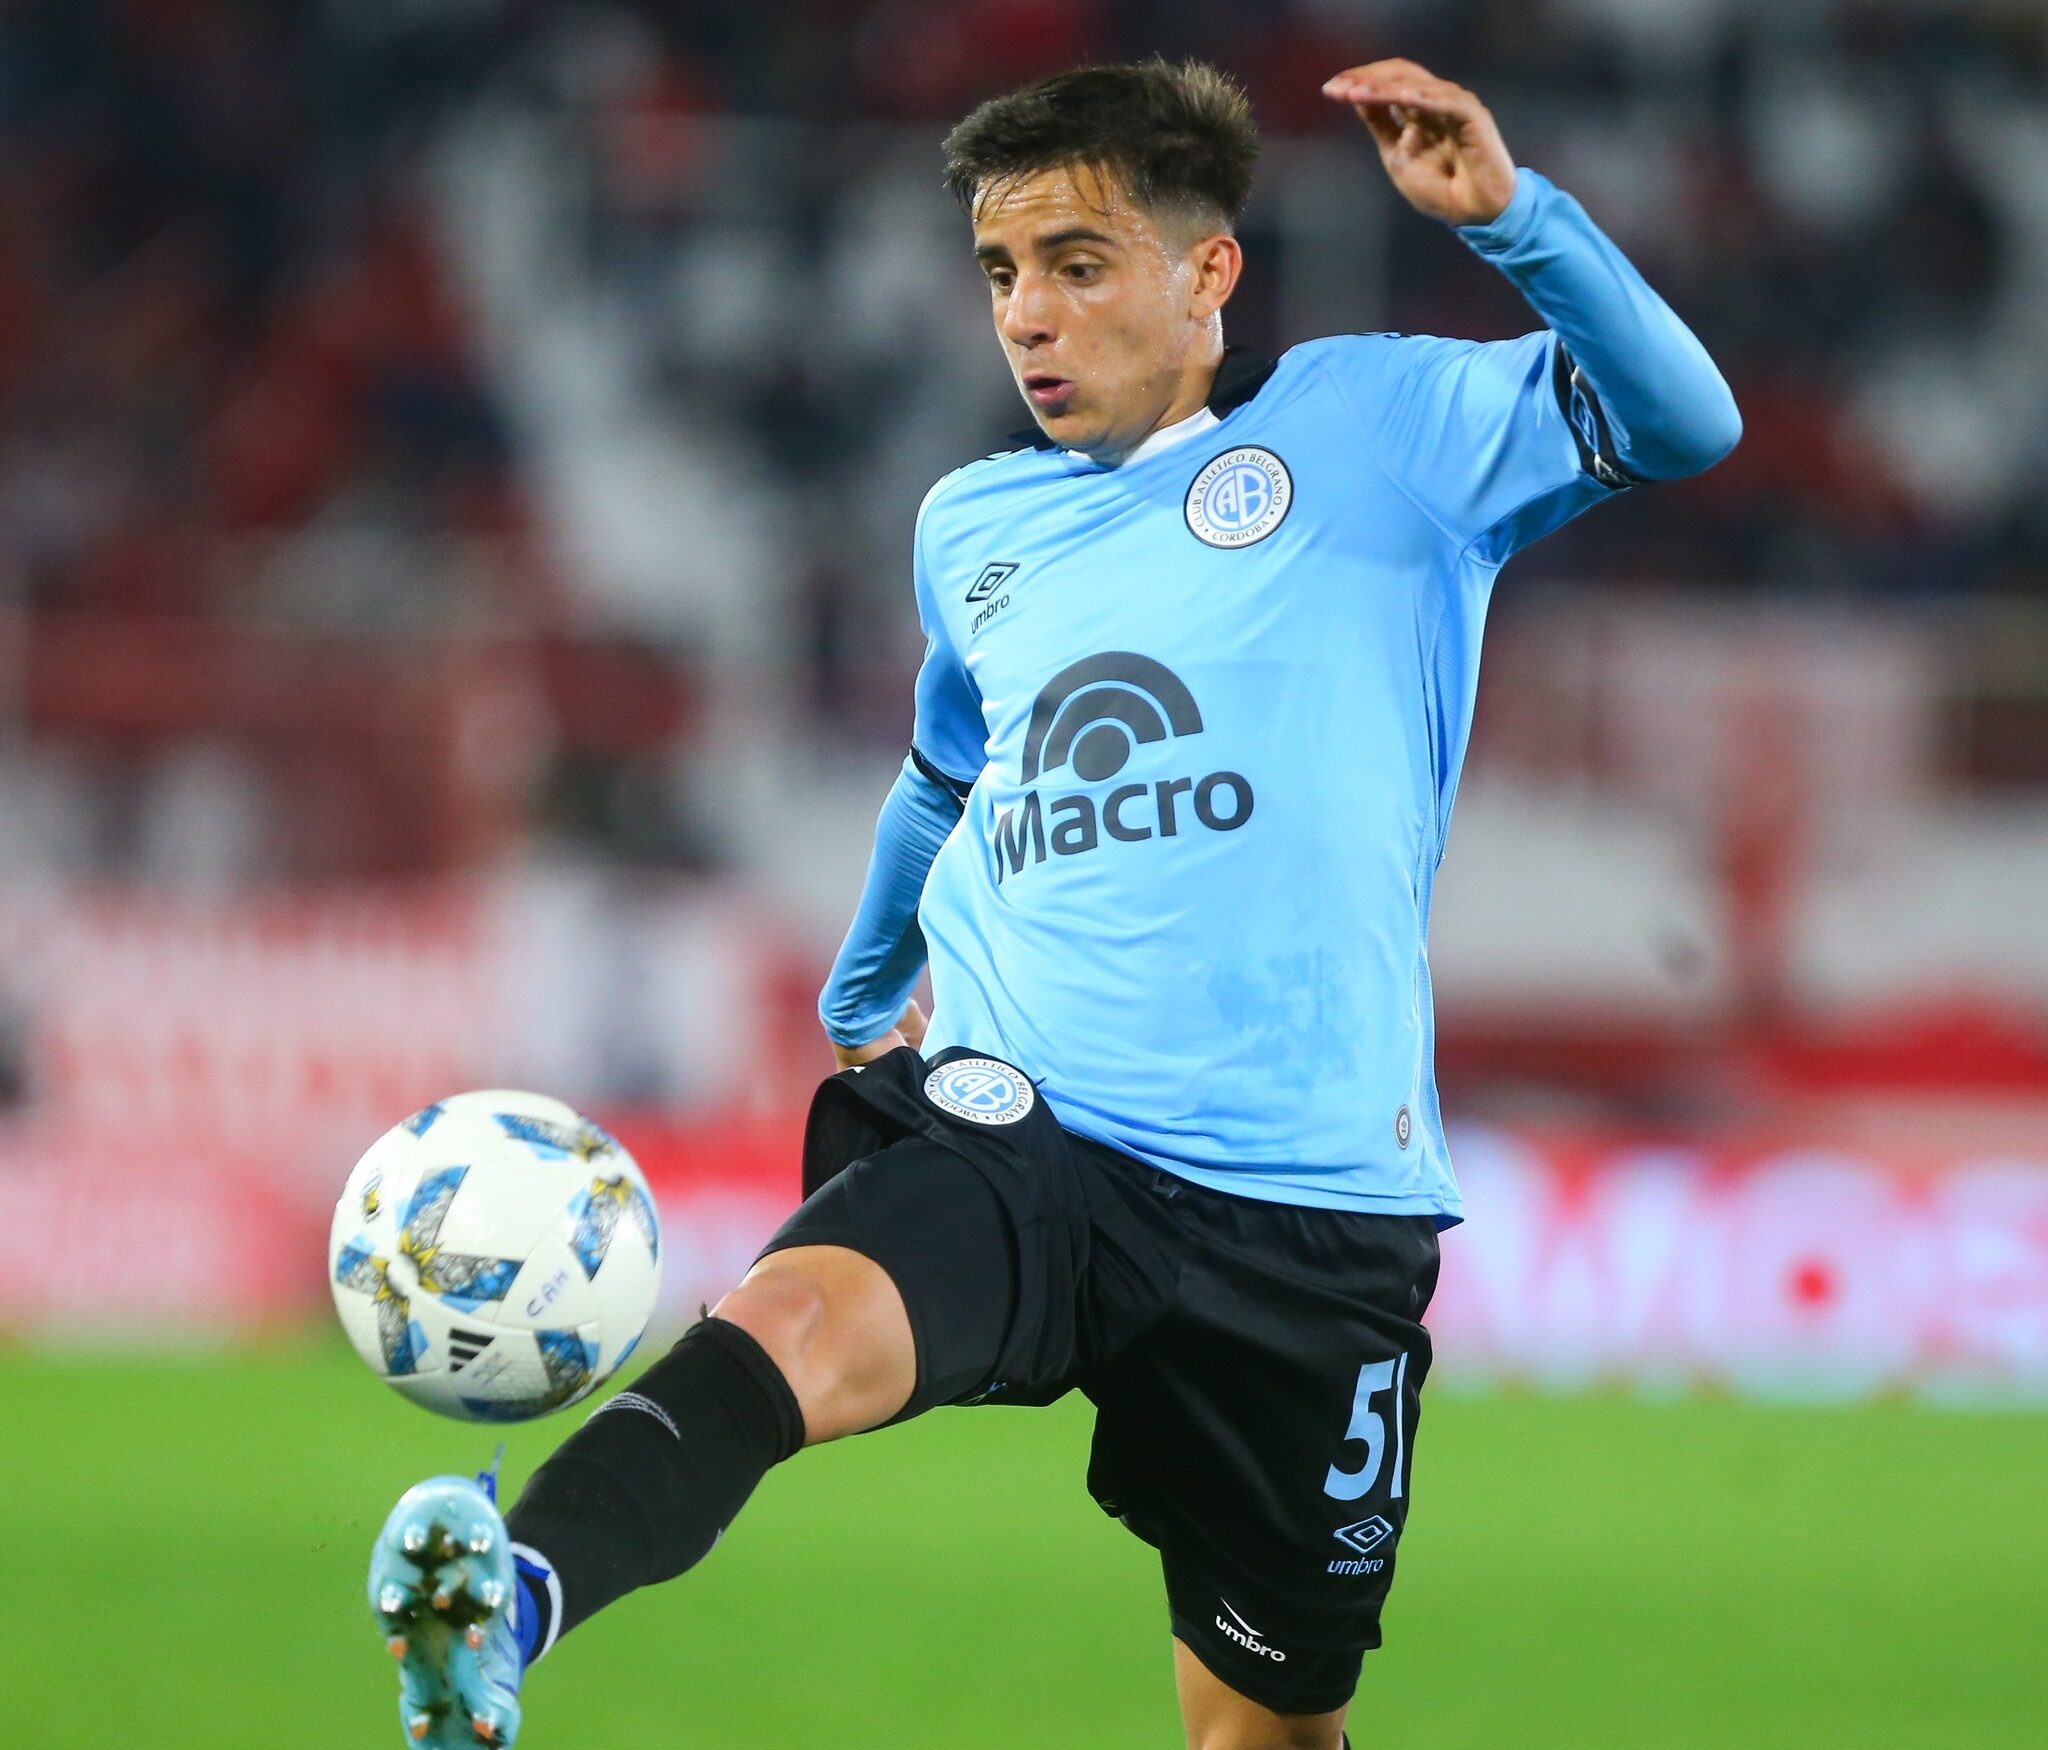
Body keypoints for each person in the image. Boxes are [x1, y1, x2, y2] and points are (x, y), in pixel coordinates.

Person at [366, 56, 1739, 1750]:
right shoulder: (976, 523)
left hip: (1309, 1207)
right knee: (791, 1320)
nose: (1027, 314)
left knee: (1265, 1728)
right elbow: (944, 773)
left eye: (1077, 266)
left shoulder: (1381, 426)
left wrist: (1515, 219)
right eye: (1003, 271)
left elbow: (1688, 423)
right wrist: (866, 974)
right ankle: (504, 1601)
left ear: (1208, 270)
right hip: (1032, 1132)